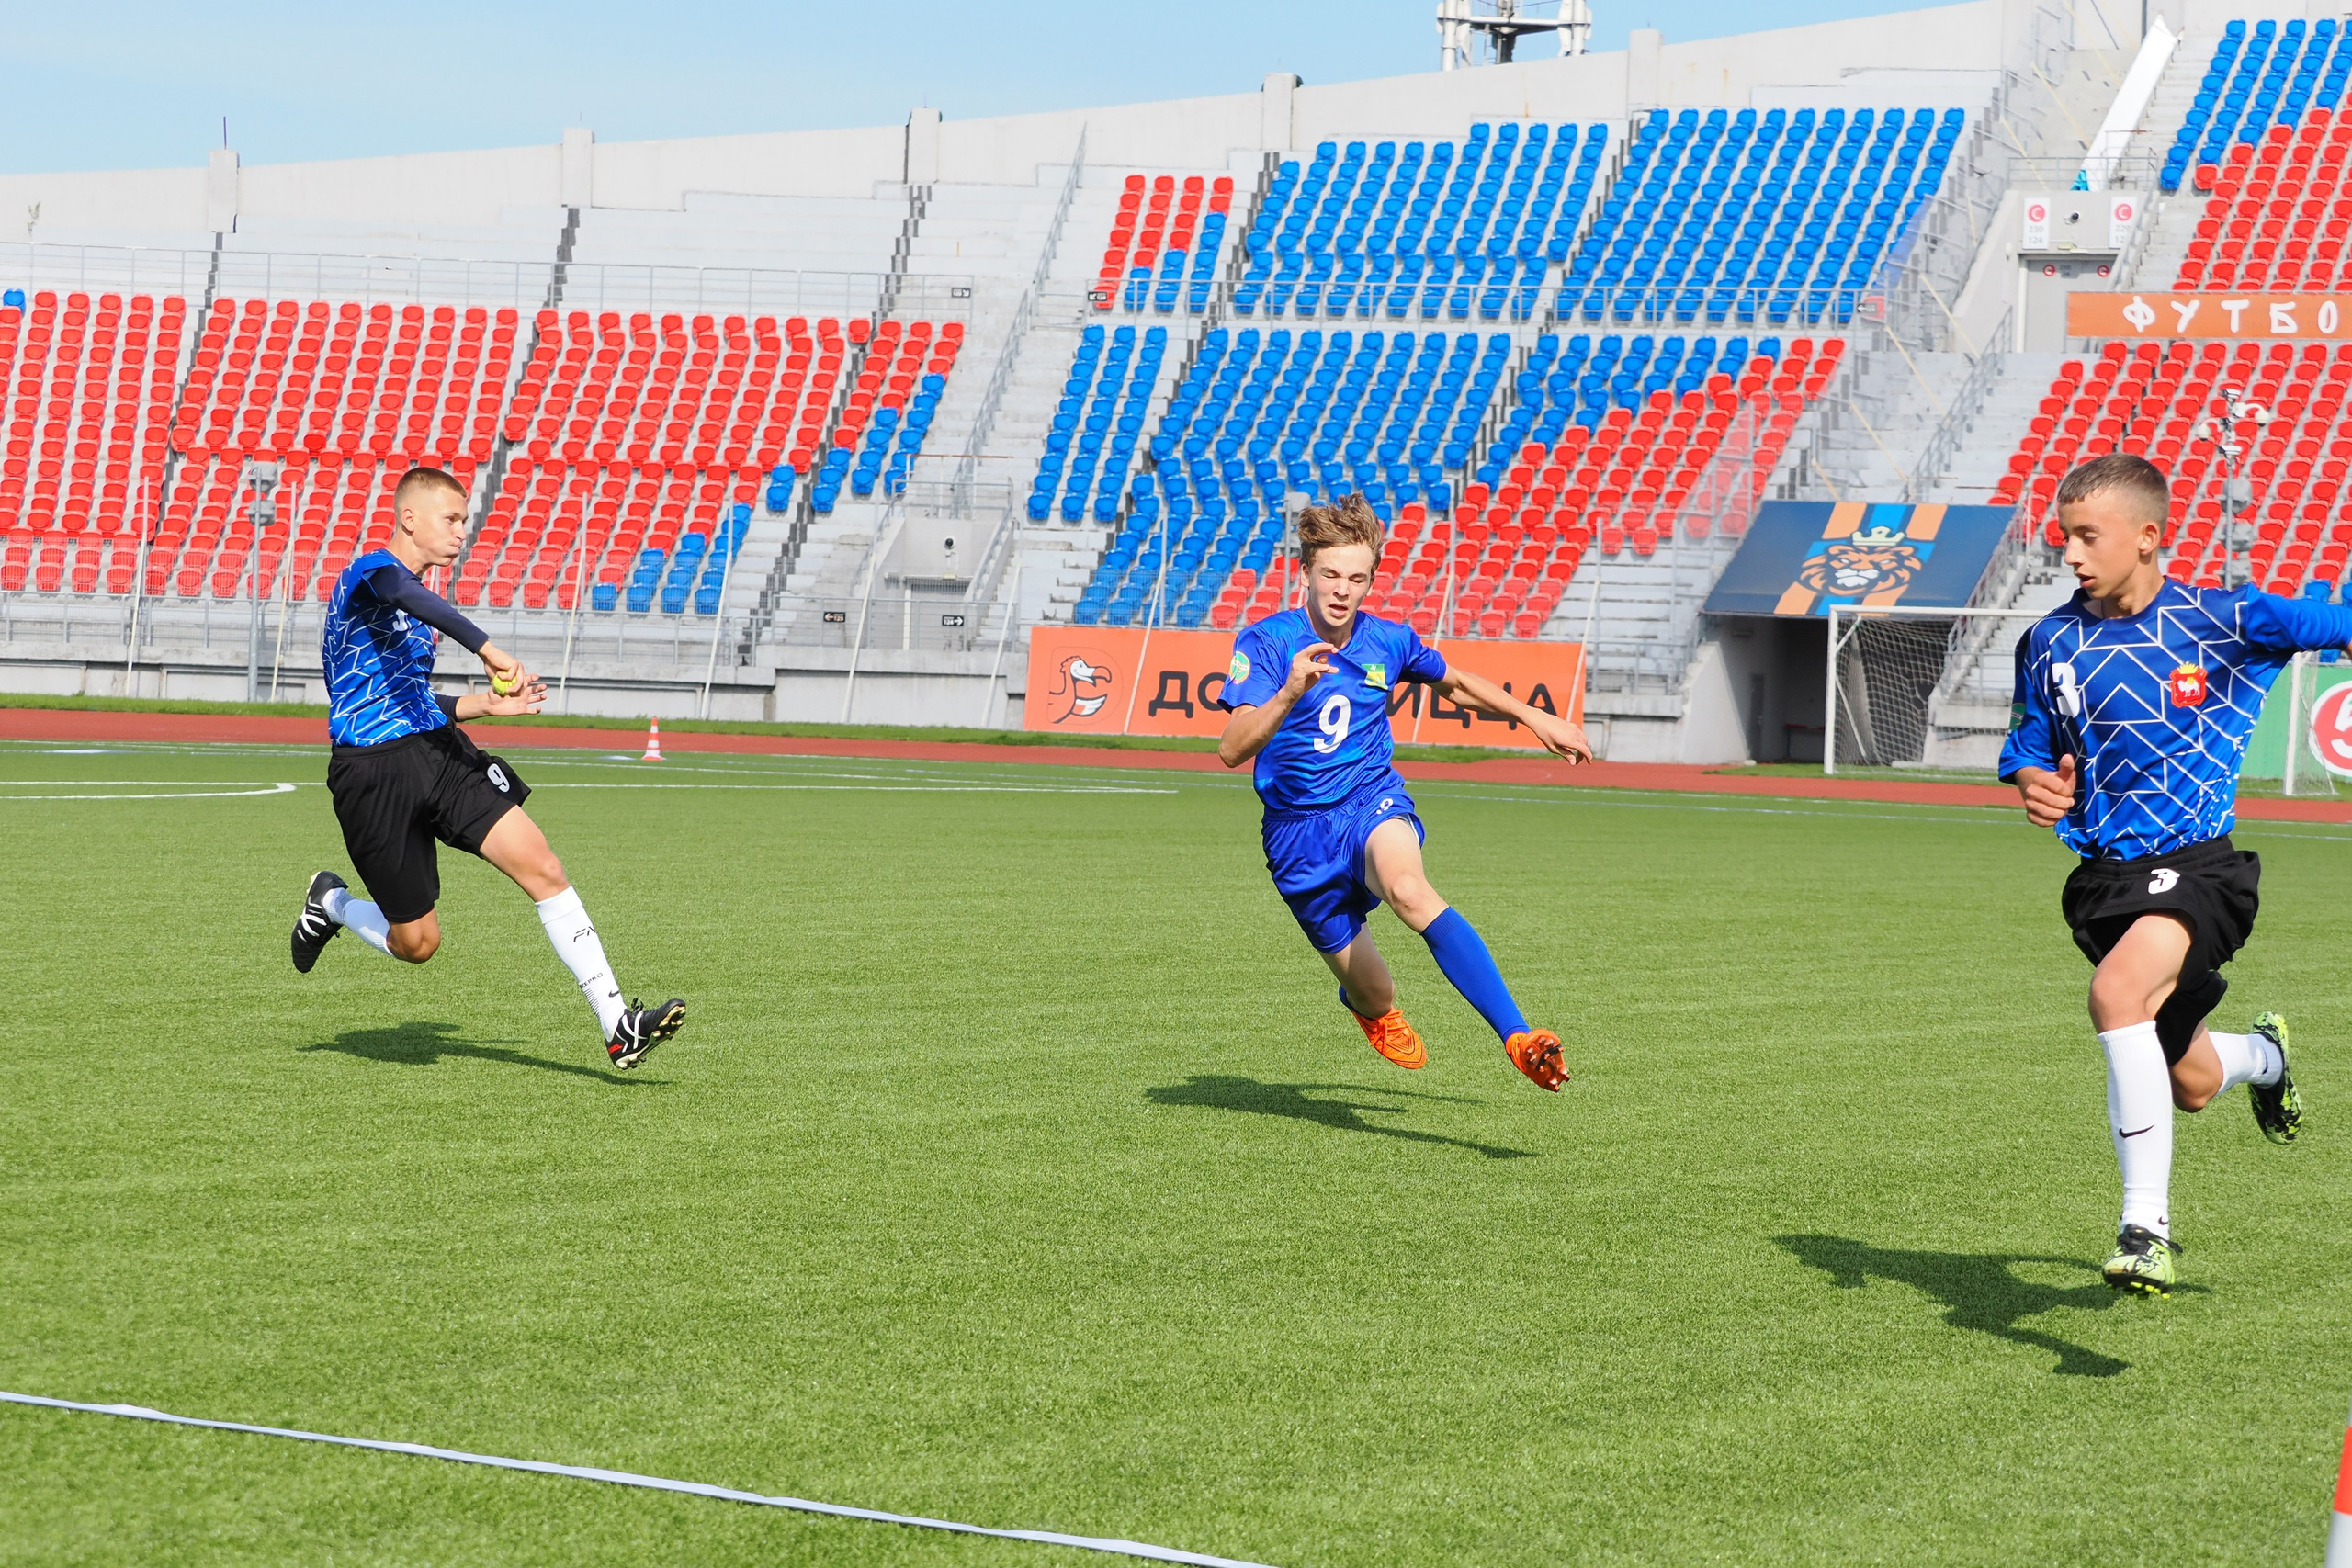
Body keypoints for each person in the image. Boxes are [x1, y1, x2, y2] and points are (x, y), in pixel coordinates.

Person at [1999, 451, 2347, 1296]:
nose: (2073, 554)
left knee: (2116, 997)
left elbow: (2333, 621)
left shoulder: (2224, 620)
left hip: (2200, 871)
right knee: (2189, 1080)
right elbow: (2027, 742)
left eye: (2090, 536)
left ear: (2149, 537)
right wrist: (2029, 780)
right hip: (2100, 885)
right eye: (2065, 538)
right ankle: (2264, 1057)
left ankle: (2143, 1228)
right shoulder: (2047, 640)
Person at [289, 465, 686, 1069]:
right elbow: (401, 592)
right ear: (409, 518)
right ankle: (332, 903)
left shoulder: (421, 618)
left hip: (439, 752)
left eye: (464, 521)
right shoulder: (369, 573)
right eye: (450, 519)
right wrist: (489, 648)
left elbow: (414, 700)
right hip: (371, 774)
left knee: (544, 865)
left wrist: (485, 704)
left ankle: (618, 1023)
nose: (460, 532)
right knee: (418, 943)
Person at [1215, 493, 1592, 1089]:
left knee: (1409, 889)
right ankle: (1371, 1008)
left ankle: (1519, 1037)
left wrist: (1535, 718)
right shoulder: (1263, 643)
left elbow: (1459, 684)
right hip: (1296, 838)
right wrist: (1288, 691)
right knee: (1374, 989)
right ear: (1305, 573)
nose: (1342, 589)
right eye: (1331, 574)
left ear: (1371, 580)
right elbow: (1232, 748)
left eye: (1357, 577)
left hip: (1370, 803)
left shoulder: (1387, 642)